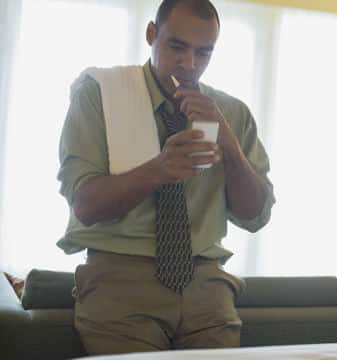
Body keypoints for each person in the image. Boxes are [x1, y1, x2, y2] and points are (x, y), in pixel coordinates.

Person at [56, 0, 275, 355]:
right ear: (151, 35)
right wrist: (159, 169)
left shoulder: (232, 113)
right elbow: (85, 205)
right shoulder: (98, 93)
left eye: (204, 53)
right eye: (177, 46)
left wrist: (230, 145)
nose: (189, 65)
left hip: (207, 283)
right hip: (120, 276)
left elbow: (256, 217)